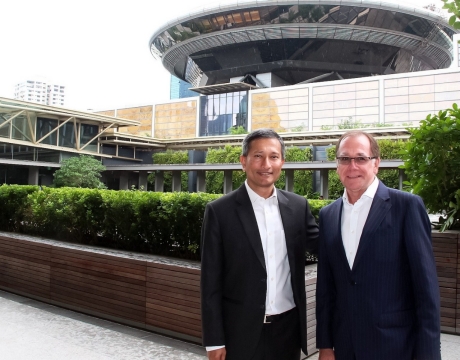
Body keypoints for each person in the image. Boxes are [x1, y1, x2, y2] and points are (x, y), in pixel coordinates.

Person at [316, 130, 441, 360]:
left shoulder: (407, 207)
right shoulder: (328, 215)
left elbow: (426, 292)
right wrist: (325, 345)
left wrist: (429, 355)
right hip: (345, 347)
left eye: (361, 158)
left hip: (396, 347)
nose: (352, 166)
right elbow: (326, 289)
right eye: (344, 158)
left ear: (376, 164)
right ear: (337, 165)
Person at [200, 129, 319, 360]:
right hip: (240, 334)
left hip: (288, 332)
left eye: (274, 156)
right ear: (243, 161)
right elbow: (210, 281)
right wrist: (214, 340)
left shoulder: (298, 207)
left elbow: (326, 247)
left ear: (282, 162)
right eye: (258, 156)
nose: (266, 164)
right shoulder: (219, 211)